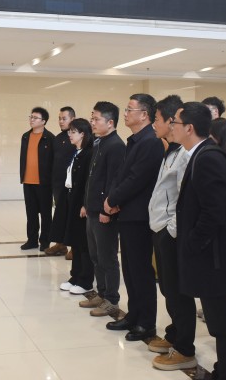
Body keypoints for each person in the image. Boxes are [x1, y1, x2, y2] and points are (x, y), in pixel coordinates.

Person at [175, 102, 226, 380]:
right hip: (210, 253)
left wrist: (193, 243)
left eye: (175, 122)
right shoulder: (201, 154)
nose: (172, 127)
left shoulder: (208, 157)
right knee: (220, 323)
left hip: (214, 256)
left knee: (223, 324)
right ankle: (224, 371)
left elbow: (214, 211)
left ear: (189, 128)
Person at [105, 94, 164, 342]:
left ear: (144, 115)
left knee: (141, 271)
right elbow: (122, 175)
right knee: (130, 270)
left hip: (140, 216)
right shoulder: (135, 140)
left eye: (130, 109)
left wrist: (113, 200)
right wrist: (113, 198)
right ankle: (134, 315)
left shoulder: (150, 142)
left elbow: (137, 179)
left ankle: (146, 323)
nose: (126, 113)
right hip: (128, 213)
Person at [147, 95, 198, 371]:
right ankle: (174, 334)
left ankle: (185, 348)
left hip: (170, 232)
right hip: (160, 228)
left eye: (156, 119)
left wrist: (171, 230)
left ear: (171, 121)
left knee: (178, 292)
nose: (154, 124)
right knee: (167, 288)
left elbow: (184, 199)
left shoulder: (186, 155)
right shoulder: (170, 150)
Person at [81, 101, 125, 317]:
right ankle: (101, 292)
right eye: (92, 118)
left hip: (104, 212)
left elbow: (113, 182)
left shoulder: (116, 146)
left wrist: (106, 211)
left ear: (110, 122)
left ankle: (112, 300)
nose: (93, 122)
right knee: (95, 256)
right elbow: (93, 179)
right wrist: (86, 203)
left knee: (108, 258)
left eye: (96, 119)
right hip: (92, 209)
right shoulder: (99, 142)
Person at [58, 118, 94, 294]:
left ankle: (85, 280)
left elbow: (88, 182)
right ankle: (75, 276)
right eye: (69, 132)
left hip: (81, 203)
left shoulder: (88, 153)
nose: (70, 135)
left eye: (73, 132)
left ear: (83, 134)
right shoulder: (77, 152)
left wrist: (85, 204)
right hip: (72, 199)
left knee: (83, 243)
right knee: (75, 242)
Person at [19, 107, 55, 250]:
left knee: (46, 214)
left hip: (44, 183)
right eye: (31, 117)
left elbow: (53, 161)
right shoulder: (25, 136)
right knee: (31, 213)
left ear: (43, 121)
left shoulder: (50, 138)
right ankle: (32, 240)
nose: (32, 120)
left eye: (35, 118)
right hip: (27, 181)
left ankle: (45, 241)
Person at [46, 107, 77, 256]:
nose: (61, 121)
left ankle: (75, 247)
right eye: (59, 118)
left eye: (64, 118)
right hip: (58, 184)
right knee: (60, 215)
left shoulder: (77, 137)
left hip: (72, 185)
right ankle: (61, 244)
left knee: (73, 216)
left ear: (72, 119)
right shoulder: (57, 138)